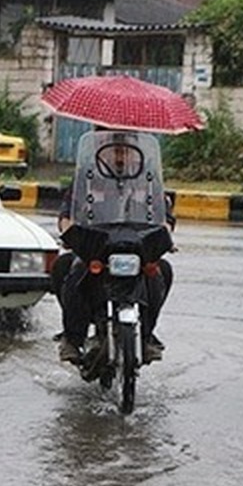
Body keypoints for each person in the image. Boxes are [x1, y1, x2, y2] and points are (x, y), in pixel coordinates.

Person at [52, 149, 174, 367]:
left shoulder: (148, 179)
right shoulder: (87, 177)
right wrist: (69, 234)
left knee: (161, 271)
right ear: (102, 150)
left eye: (125, 150)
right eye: (114, 151)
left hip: (136, 246)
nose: (119, 157)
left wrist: (164, 237)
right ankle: (73, 338)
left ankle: (146, 336)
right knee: (68, 268)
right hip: (97, 246)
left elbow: (165, 216)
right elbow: (67, 214)